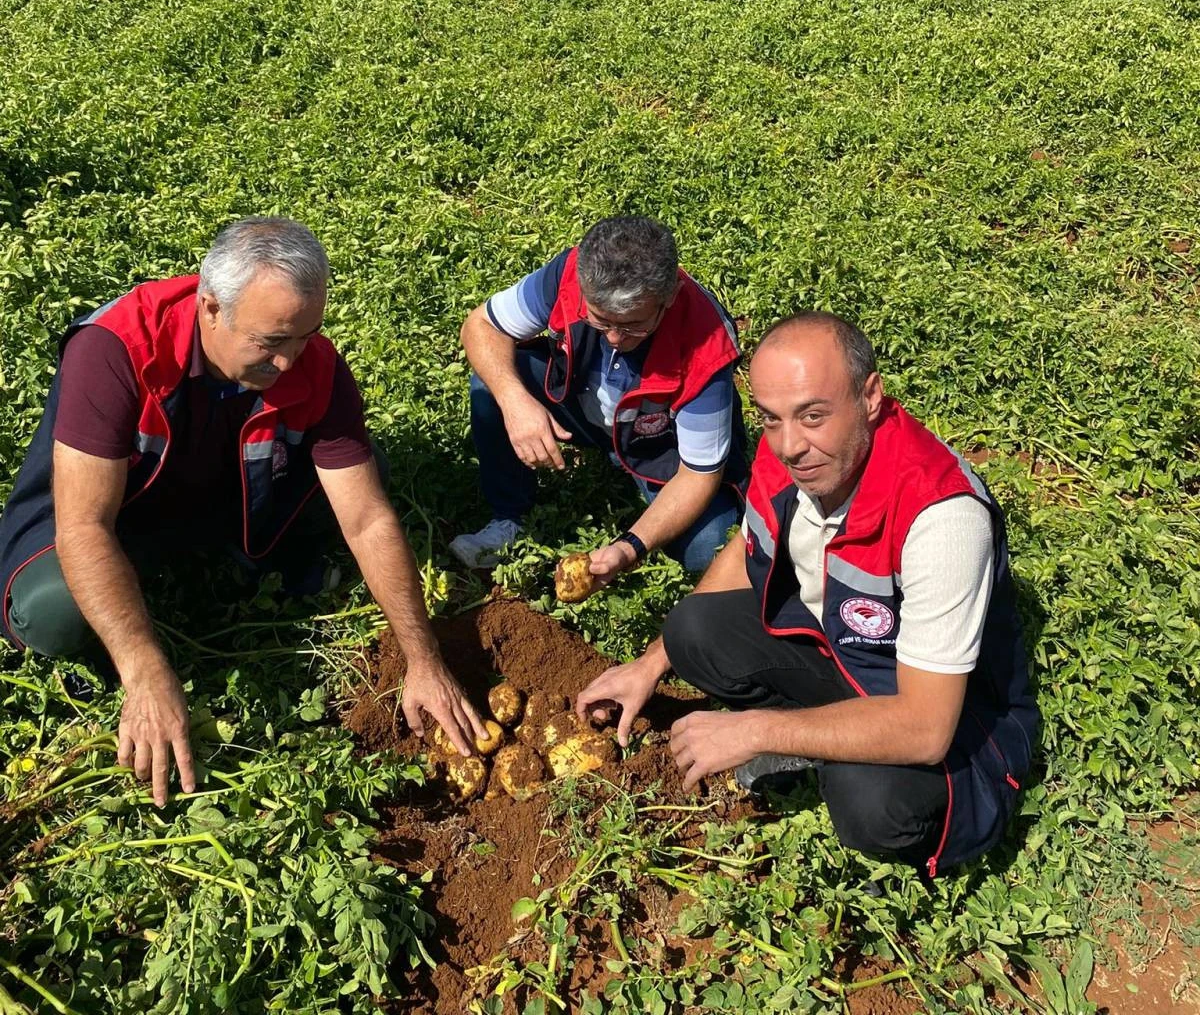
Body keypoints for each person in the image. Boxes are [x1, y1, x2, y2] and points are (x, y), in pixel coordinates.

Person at [0, 219, 482, 805]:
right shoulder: (117, 349)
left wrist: (423, 657)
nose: (288, 362)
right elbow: (84, 524)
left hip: (224, 494)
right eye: (270, 341)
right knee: (52, 614)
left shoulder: (314, 364)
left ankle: (245, 551)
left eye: (304, 336)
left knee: (365, 473)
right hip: (124, 512)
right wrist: (145, 668)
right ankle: (147, 591)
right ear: (209, 307)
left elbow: (368, 519)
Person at [577, 311, 1038, 878]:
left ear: (870, 396)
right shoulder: (793, 450)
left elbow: (925, 727)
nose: (791, 445)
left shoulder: (940, 516)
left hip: (949, 715)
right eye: (771, 419)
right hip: (846, 656)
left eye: (813, 416)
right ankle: (819, 736)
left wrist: (755, 730)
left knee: (870, 802)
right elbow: (748, 545)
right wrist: (651, 665)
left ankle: (820, 751)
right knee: (691, 630)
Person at [451, 216, 747, 580]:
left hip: (659, 447)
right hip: (583, 404)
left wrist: (629, 547)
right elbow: (480, 326)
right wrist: (516, 402)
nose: (614, 340)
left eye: (633, 325)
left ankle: (641, 487)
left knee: (709, 546)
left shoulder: (706, 341)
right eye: (600, 321)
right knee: (491, 381)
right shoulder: (571, 274)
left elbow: (698, 476)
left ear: (669, 296)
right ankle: (508, 517)